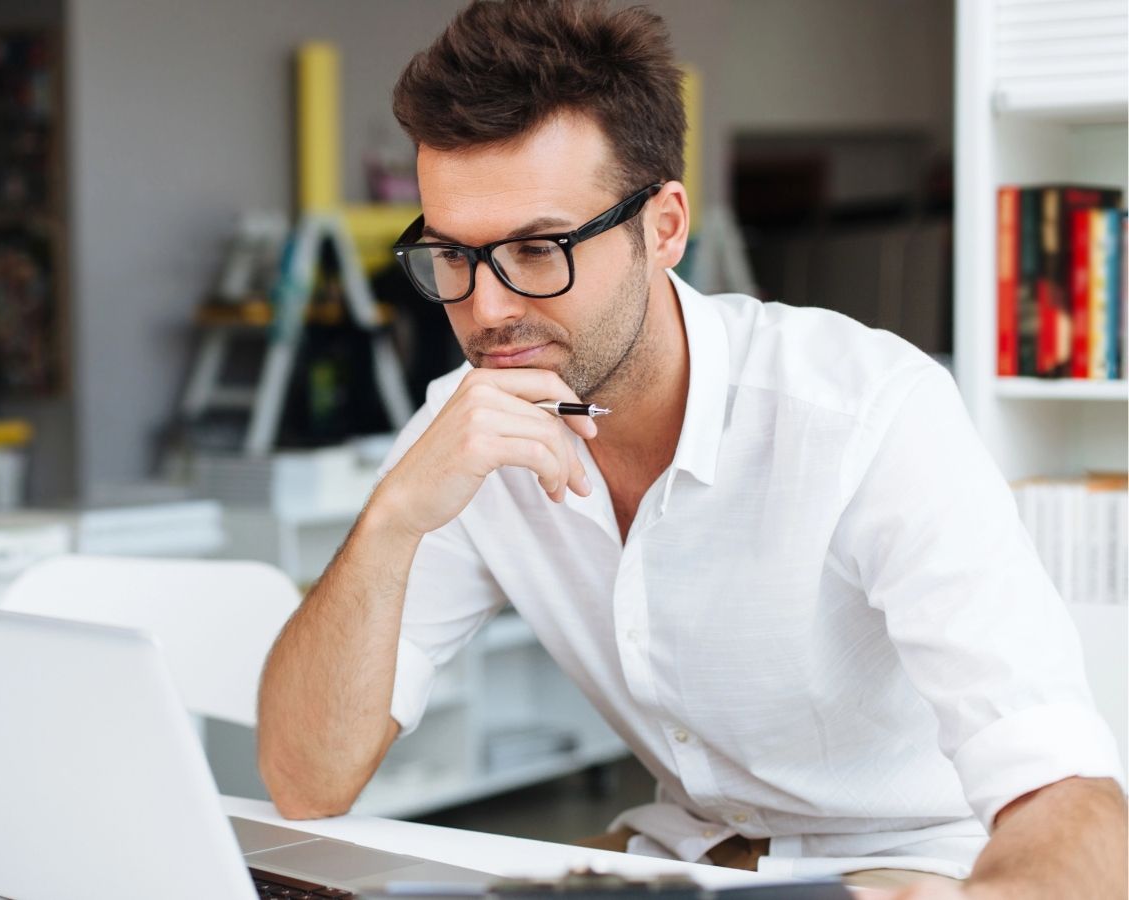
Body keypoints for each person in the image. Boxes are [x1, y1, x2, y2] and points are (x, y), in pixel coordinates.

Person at [255, 2, 1127, 897]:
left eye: (539, 248)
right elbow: (304, 781)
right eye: (452, 255)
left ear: (665, 227)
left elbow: (1069, 797)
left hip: (911, 864)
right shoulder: (466, 427)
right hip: (682, 859)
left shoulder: (869, 414)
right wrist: (393, 519)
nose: (487, 310)